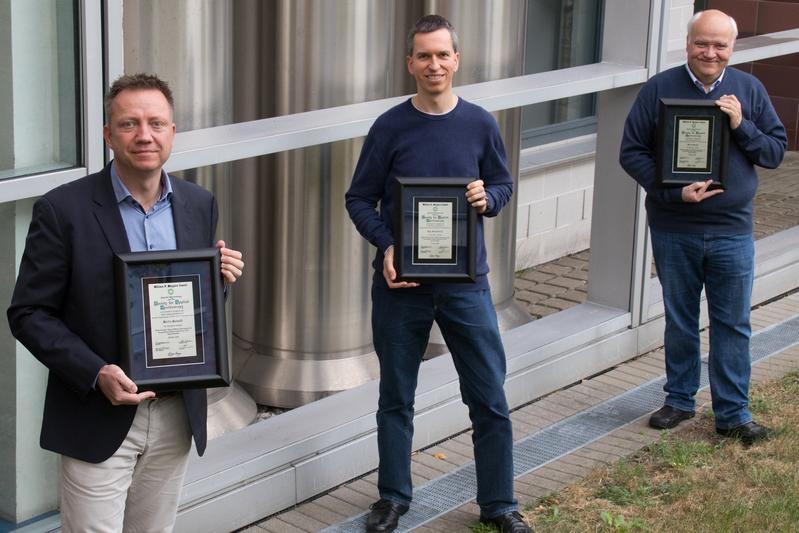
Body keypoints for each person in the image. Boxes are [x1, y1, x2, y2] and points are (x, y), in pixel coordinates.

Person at [7, 73, 244, 532]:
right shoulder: (63, 210)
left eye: (156, 123)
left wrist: (219, 283)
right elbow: (29, 314)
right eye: (129, 124)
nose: (144, 135)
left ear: (173, 132)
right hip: (100, 415)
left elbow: (190, 307)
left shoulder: (198, 204)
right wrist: (95, 373)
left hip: (176, 412)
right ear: (108, 134)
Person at [346, 15, 532, 533]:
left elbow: (502, 183)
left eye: (442, 55)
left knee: (489, 396)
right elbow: (359, 198)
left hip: (465, 284)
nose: (434, 64)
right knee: (395, 397)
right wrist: (385, 245)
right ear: (410, 64)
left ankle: (499, 505)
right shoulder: (390, 127)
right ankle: (393, 498)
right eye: (423, 56)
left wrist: (486, 197)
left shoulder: (479, 123)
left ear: (457, 59)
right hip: (400, 285)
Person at [620, 10, 786, 444]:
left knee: (733, 323)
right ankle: (679, 400)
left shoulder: (749, 89)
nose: (710, 52)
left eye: (720, 45)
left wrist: (740, 124)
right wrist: (673, 193)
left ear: (732, 48)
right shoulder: (658, 88)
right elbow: (631, 151)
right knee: (680, 319)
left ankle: (733, 414)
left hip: (732, 229)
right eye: (702, 43)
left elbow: (773, 152)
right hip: (675, 227)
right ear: (688, 41)